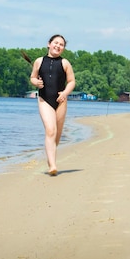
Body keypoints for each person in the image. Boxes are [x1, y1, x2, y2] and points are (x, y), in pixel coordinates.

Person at [30, 34, 76, 176]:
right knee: (50, 130)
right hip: (44, 100)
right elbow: (32, 77)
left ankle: (50, 158)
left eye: (61, 45)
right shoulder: (39, 61)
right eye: (56, 43)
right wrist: (35, 82)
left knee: (56, 135)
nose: (58, 46)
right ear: (49, 44)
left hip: (61, 101)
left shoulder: (65, 63)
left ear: (63, 49)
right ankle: (53, 166)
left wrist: (65, 93)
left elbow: (72, 81)